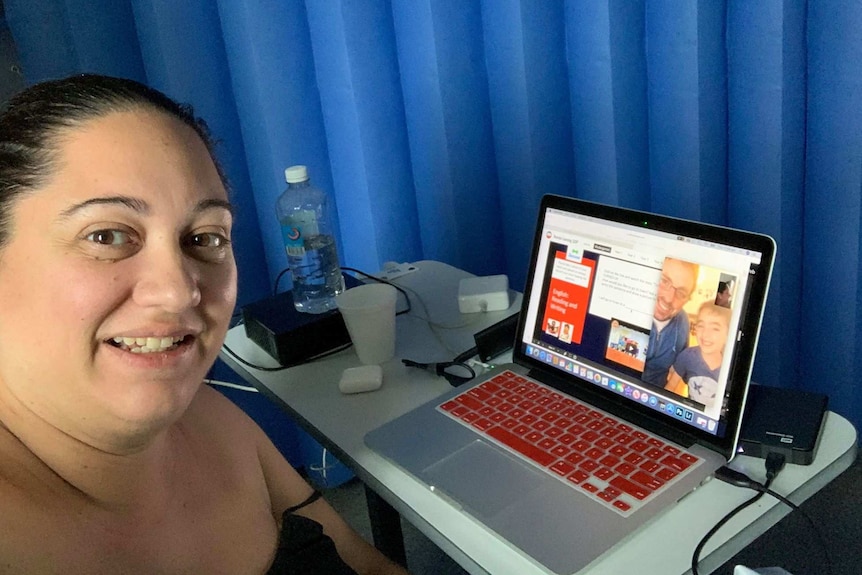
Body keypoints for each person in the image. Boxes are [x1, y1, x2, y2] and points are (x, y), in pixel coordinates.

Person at [0, 74, 408, 575]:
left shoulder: (210, 420)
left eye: (204, 238)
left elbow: (366, 567)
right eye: (107, 235)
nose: (178, 290)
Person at [641, 257, 699, 388]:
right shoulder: (627, 305)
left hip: (653, 399)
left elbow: (683, 364)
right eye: (664, 281)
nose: (669, 298)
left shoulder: (683, 321)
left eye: (681, 293)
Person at [665, 302, 731, 408]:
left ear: (728, 334)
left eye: (715, 328)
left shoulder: (731, 367)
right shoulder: (687, 356)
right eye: (701, 326)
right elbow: (671, 386)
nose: (705, 334)